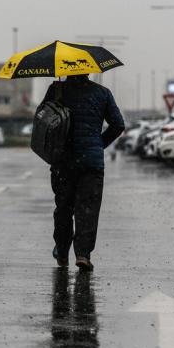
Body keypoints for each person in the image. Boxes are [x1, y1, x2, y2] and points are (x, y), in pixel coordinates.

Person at [42, 74, 125, 271]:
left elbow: (42, 118)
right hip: (91, 163)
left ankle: (62, 252)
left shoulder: (57, 90)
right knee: (88, 209)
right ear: (88, 70)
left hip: (63, 160)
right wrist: (98, 144)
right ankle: (83, 254)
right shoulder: (103, 93)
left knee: (63, 208)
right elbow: (118, 125)